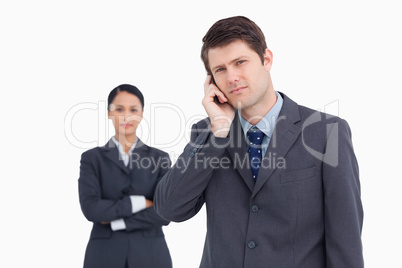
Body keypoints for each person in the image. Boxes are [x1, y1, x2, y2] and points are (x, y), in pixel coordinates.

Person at [154, 16, 364, 267]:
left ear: (266, 59)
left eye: (240, 62)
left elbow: (345, 240)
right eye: (220, 69)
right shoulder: (207, 133)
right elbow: (169, 209)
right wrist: (218, 131)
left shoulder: (327, 132)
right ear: (211, 81)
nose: (231, 77)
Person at [78, 84, 172, 268]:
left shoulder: (160, 158)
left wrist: (116, 222)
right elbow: (91, 209)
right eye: (119, 109)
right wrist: (140, 203)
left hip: (151, 256)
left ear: (142, 113)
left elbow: (165, 213)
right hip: (104, 255)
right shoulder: (91, 158)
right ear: (108, 113)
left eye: (133, 109)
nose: (126, 116)